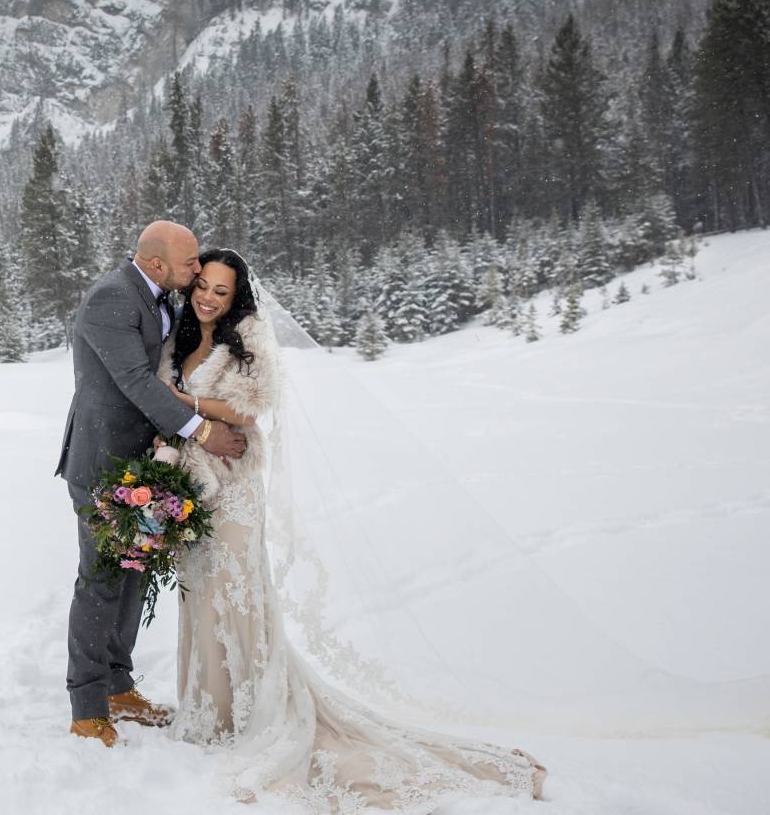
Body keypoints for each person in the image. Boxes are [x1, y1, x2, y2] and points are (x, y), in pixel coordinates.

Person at [156, 247, 549, 809]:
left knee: (236, 593)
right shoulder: (178, 336)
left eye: (222, 291)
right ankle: (210, 710)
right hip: (193, 483)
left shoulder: (247, 336)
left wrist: (186, 402)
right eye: (204, 287)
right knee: (200, 592)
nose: (209, 298)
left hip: (234, 485)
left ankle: (251, 711)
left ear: (236, 294)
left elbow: (252, 407)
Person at [55, 221, 250, 748]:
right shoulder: (111, 298)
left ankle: (119, 686)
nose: (197, 271)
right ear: (159, 263)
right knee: (99, 581)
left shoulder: (160, 296)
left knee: (132, 574)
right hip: (101, 463)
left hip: (142, 464)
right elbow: (136, 382)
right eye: (190, 264)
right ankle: (87, 705)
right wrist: (203, 430)